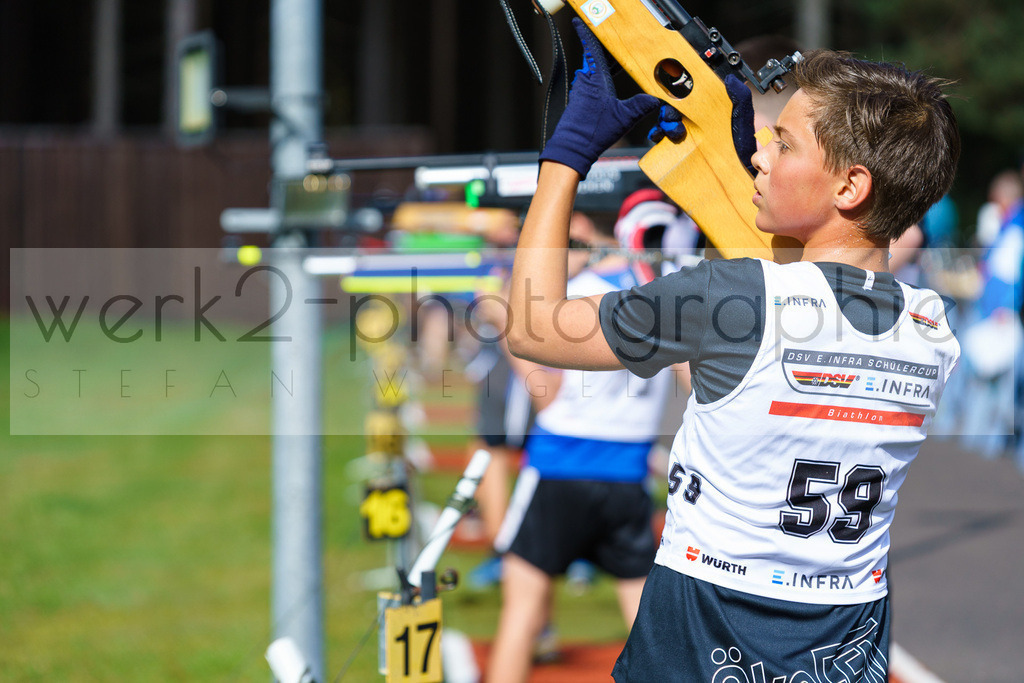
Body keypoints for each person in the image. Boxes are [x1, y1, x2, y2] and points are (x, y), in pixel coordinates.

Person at [506, 18, 960, 682]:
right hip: (845, 643)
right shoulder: (931, 328)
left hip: (699, 635)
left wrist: (568, 152)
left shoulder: (732, 297)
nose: (759, 155)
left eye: (782, 144)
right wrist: (733, 178)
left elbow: (532, 324)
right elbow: (815, 287)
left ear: (849, 187)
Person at [484, 210, 674, 683]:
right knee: (643, 626)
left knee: (522, 615)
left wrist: (508, 326)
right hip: (627, 473)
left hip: (561, 465)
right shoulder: (669, 288)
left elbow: (548, 398)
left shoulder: (582, 291)